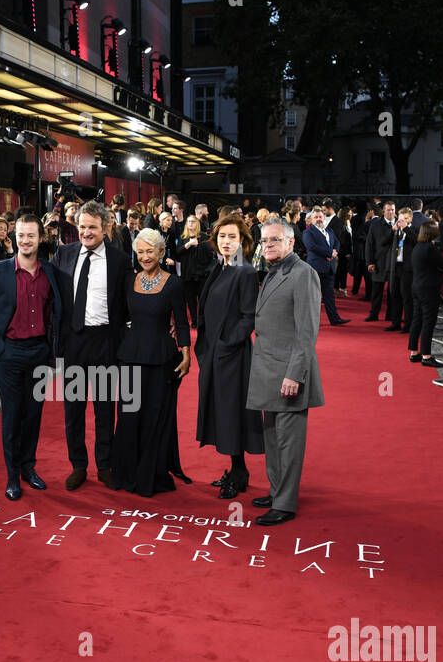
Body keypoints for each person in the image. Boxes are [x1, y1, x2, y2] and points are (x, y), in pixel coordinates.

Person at [0, 214, 64, 501]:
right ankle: (12, 475)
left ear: (40, 238)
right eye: (21, 235)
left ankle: (29, 468)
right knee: (12, 416)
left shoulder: (50, 272)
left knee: (33, 415)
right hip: (8, 354)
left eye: (31, 236)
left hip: (38, 352)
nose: (26, 241)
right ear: (14, 237)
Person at [247, 219, 324, 526]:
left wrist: (295, 374)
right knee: (272, 439)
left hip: (288, 374)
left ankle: (286, 503)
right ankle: (277, 491)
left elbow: (307, 332)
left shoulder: (304, 275)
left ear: (291, 242)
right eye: (264, 241)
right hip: (267, 370)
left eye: (274, 240)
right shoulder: (274, 270)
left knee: (288, 442)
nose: (268, 245)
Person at [52, 201, 130, 491]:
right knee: (73, 409)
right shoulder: (64, 254)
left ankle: (105, 464)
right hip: (73, 344)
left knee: (104, 409)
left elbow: (127, 306)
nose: (86, 232)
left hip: (105, 343)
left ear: (106, 228)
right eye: (82, 226)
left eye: (92, 227)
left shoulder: (120, 261)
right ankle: (78, 465)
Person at [111, 228, 191, 497]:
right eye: (140, 251)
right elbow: (119, 317)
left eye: (150, 251)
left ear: (161, 252)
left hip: (162, 360)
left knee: (155, 418)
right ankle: (127, 472)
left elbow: (181, 321)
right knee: (129, 416)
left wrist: (186, 353)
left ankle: (151, 474)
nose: (145, 256)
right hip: (131, 357)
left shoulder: (174, 283)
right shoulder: (128, 280)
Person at [196, 215, 264, 499]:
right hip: (214, 352)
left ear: (243, 241)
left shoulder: (245, 272)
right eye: (222, 236)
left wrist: (227, 344)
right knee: (222, 412)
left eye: (232, 237)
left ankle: (239, 473)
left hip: (233, 356)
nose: (226, 242)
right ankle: (238, 470)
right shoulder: (221, 267)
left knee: (232, 413)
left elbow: (250, 317)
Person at [406, 221, 443, 368]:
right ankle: (426, 355)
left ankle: (414, 353)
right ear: (433, 233)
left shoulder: (418, 247)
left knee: (417, 319)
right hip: (428, 289)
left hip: (417, 286)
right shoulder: (429, 248)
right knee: (428, 322)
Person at [303, 207, 348, 325]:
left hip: (329, 267)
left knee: (329, 296)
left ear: (324, 218)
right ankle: (310, 321)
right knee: (313, 297)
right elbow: (311, 246)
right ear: (311, 219)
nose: (318, 219)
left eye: (320, 217)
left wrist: (334, 253)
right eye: (316, 217)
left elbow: (337, 242)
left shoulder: (329, 231)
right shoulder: (308, 232)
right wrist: (329, 253)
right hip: (315, 268)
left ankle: (335, 319)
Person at [173, 214, 211, 326]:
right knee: (191, 300)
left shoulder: (204, 237)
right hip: (188, 273)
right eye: (189, 221)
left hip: (201, 273)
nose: (190, 223)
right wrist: (188, 244)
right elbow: (178, 253)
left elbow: (209, 255)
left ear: (197, 224)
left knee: (203, 299)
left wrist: (199, 246)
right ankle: (194, 320)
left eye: (193, 221)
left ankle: (203, 320)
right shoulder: (183, 238)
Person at [364, 201, 397, 321]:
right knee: (376, 291)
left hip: (395, 264)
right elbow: (369, 244)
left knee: (393, 292)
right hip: (379, 262)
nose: (391, 212)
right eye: (388, 210)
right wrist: (370, 262)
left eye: (393, 210)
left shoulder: (401, 224)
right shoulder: (376, 225)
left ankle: (391, 315)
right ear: (383, 211)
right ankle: (374, 314)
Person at [387, 207, 415, 332]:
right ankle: (395, 323)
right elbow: (384, 242)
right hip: (395, 267)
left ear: (410, 219)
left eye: (405, 219)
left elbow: (416, 241)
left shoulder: (414, 229)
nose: (402, 221)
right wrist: (392, 231)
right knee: (395, 295)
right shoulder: (396, 230)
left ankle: (408, 325)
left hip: (407, 268)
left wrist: (406, 228)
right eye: (400, 219)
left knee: (407, 297)